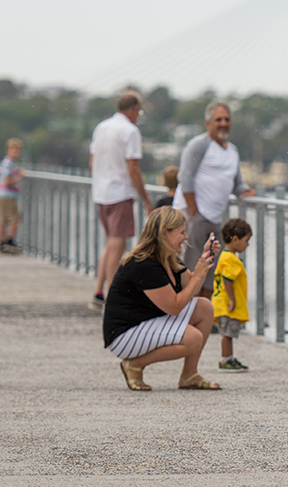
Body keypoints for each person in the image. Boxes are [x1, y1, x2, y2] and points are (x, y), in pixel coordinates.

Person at [103, 206, 221, 391]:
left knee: (204, 307)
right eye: (181, 232)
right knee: (192, 338)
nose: (186, 237)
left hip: (145, 323)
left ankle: (189, 375)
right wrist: (198, 276)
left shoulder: (168, 259)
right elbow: (174, 306)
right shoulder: (144, 263)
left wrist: (203, 261)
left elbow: (191, 287)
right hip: (124, 335)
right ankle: (133, 364)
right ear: (165, 233)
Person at [172, 101, 255, 299]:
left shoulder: (232, 151)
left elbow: (236, 184)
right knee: (192, 269)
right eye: (218, 119)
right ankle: (187, 318)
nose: (223, 123)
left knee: (212, 271)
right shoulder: (199, 145)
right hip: (195, 215)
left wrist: (246, 191)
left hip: (215, 218)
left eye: (227, 119)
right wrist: (193, 212)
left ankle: (205, 318)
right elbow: (185, 177)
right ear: (208, 123)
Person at [89, 91, 153, 311]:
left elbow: (92, 161)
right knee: (118, 243)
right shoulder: (130, 131)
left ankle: (99, 291)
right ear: (134, 109)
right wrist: (146, 199)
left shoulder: (101, 127)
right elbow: (133, 169)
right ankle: (113, 297)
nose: (139, 115)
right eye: (140, 111)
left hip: (101, 193)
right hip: (120, 193)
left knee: (110, 242)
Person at [212, 217, 253, 372]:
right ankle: (225, 360)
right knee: (227, 333)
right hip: (226, 304)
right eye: (246, 240)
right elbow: (227, 279)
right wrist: (232, 299)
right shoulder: (231, 260)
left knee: (228, 332)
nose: (247, 245)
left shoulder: (225, 256)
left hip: (220, 302)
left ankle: (229, 357)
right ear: (235, 239)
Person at [0, 138, 25, 254]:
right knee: (13, 218)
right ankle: (8, 241)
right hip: (7, 195)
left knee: (4, 218)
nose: (16, 152)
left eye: (17, 150)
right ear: (8, 150)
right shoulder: (8, 163)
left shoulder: (10, 163)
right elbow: (7, 180)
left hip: (8, 194)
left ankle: (4, 242)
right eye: (13, 149)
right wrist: (19, 176)